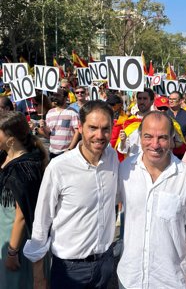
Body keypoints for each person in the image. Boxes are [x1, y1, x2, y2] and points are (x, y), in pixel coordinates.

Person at [24, 100, 119, 289]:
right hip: (70, 270)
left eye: (105, 129)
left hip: (106, 263)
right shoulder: (59, 168)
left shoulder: (112, 157)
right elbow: (42, 222)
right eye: (92, 128)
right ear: (80, 127)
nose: (99, 135)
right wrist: (39, 277)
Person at [117, 111, 186, 289]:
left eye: (162, 137)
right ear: (140, 137)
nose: (155, 144)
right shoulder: (125, 169)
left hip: (169, 280)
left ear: (173, 138)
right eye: (148, 136)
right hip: (130, 278)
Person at [0, 111, 48, 289]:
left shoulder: (23, 168)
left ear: (11, 140)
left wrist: (12, 252)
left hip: (16, 239)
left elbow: (21, 216)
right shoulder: (5, 157)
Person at [40, 89, 80, 159]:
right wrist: (43, 127)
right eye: (55, 96)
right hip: (52, 153)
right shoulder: (50, 113)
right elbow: (48, 134)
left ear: (65, 98)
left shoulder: (72, 112)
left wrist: (70, 149)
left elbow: (77, 132)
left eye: (58, 96)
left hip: (67, 153)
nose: (56, 99)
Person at [117, 88, 155, 157]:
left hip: (153, 163)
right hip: (133, 165)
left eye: (145, 99)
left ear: (152, 101)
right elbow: (123, 150)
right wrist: (123, 141)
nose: (141, 101)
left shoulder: (157, 121)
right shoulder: (129, 122)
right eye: (139, 98)